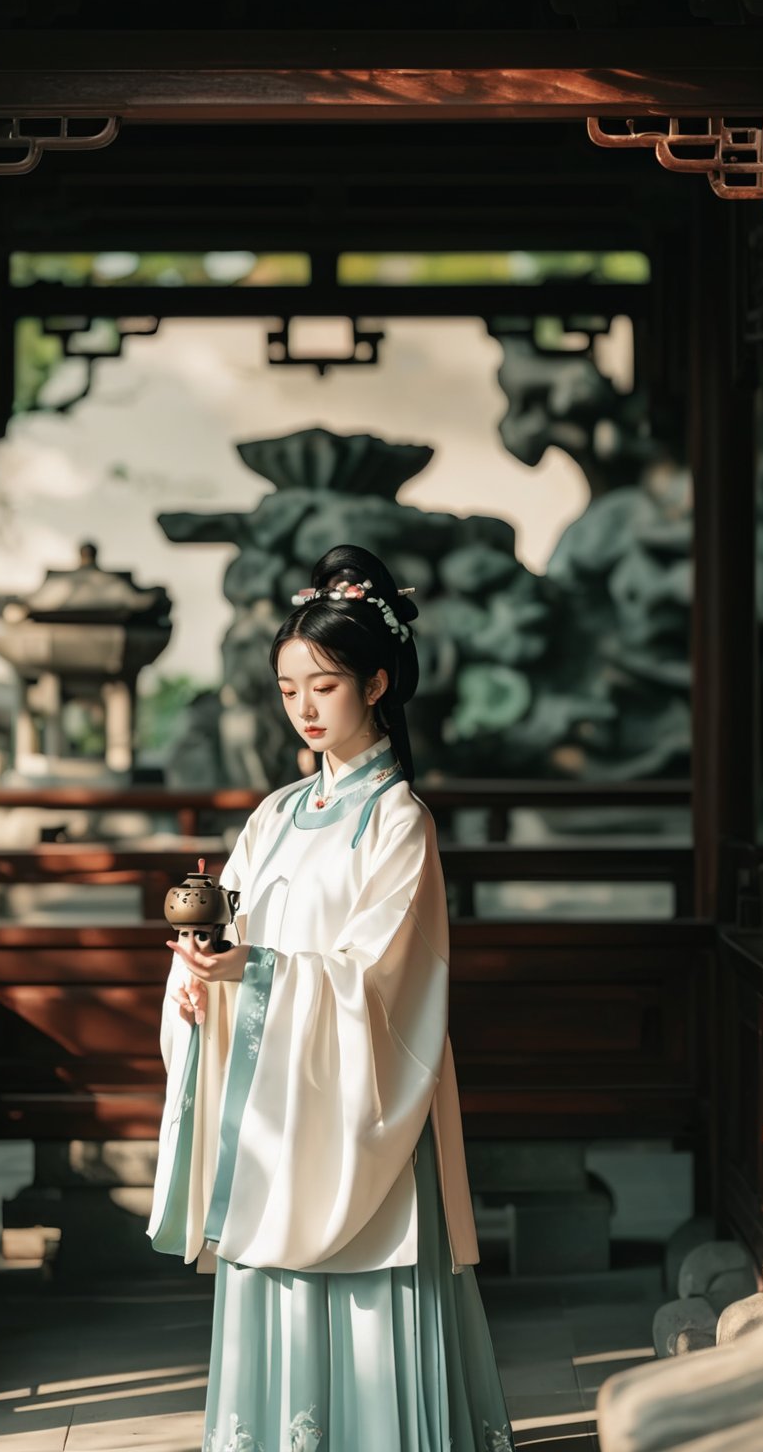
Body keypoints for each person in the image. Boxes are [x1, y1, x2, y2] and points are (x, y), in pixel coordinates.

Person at [148, 543, 516, 1452]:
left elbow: (383, 975)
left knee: (368, 1267)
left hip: (361, 1100)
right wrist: (199, 982)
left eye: (325, 685)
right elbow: (227, 929)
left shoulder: (399, 821)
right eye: (288, 689)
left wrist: (260, 973)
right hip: (272, 1095)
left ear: (377, 682)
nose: (304, 709)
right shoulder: (272, 816)